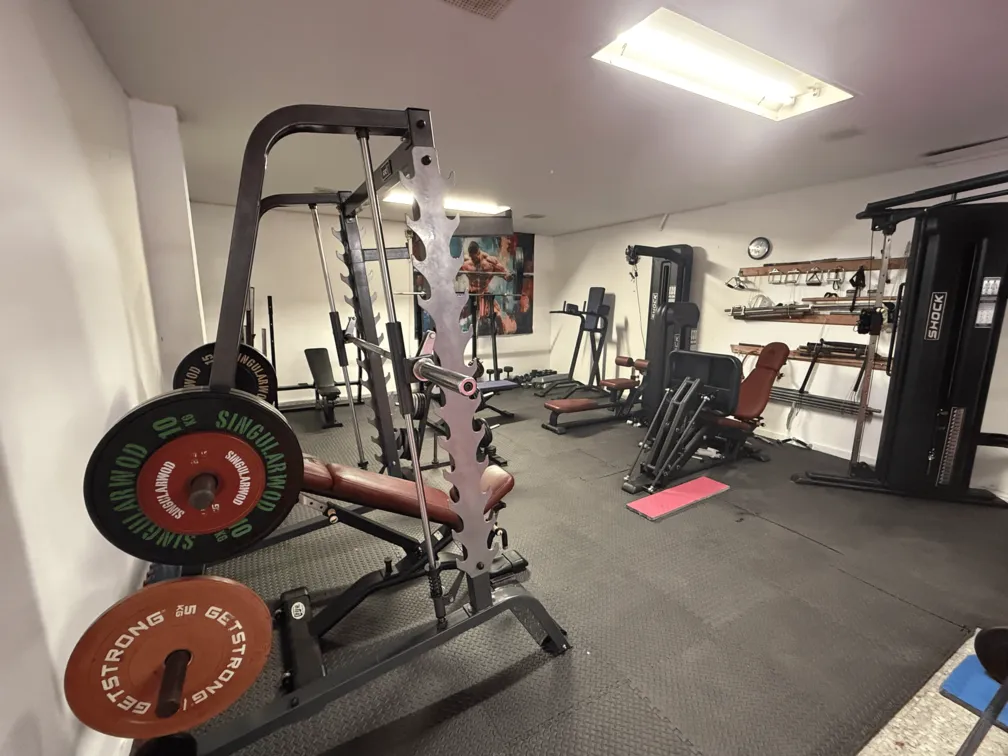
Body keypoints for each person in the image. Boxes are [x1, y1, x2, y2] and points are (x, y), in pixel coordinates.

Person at [459, 239, 518, 334]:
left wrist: (509, 275)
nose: (475, 259)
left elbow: (506, 275)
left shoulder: (490, 262)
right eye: (473, 258)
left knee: (498, 318)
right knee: (457, 317)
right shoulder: (465, 262)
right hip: (471, 295)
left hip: (484, 295)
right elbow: (452, 274)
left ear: (479, 252)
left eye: (476, 257)